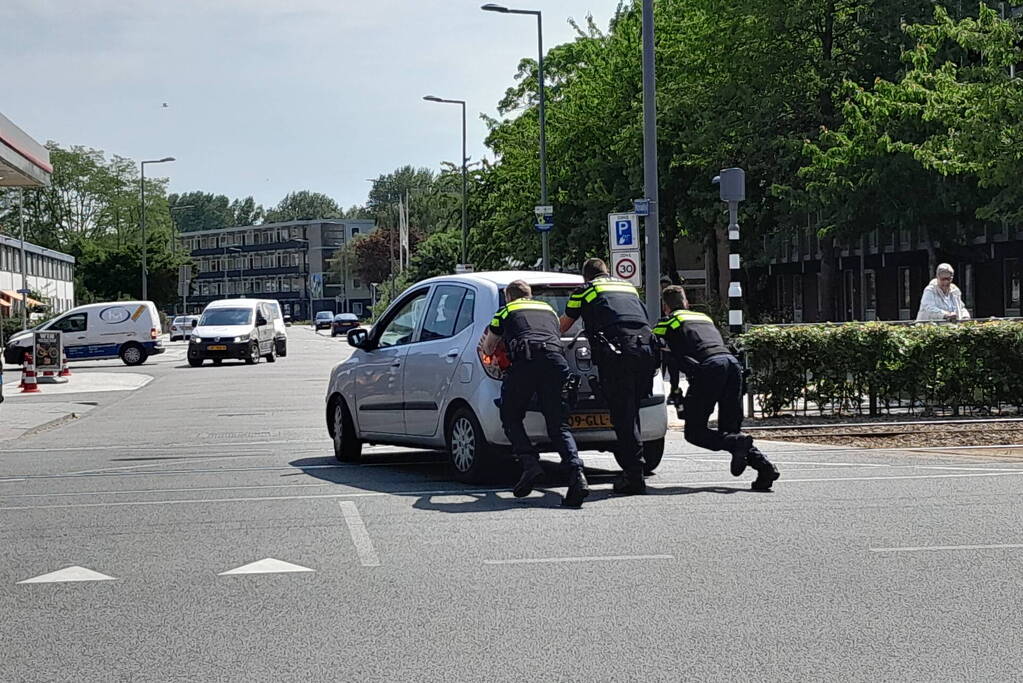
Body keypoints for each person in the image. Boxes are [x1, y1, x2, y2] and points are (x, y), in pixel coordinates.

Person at [653, 285, 780, 492]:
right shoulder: (704, 318)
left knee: (694, 432)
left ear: (665, 307)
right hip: (732, 367)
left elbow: (658, 348)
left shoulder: (668, 322)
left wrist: (674, 389)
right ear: (686, 303)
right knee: (731, 432)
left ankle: (749, 453)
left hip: (709, 369)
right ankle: (764, 468)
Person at [480, 280, 590, 508]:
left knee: (510, 415)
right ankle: (577, 475)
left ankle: (530, 463)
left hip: (525, 364)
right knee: (558, 425)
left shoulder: (505, 311)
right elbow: (557, 332)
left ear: (508, 296)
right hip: (556, 363)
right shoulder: (549, 309)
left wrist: (491, 352)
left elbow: (489, 347)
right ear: (529, 295)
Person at [559, 258, 659, 495]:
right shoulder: (627, 287)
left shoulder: (584, 291)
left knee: (623, 415)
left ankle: (634, 475)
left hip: (618, 353)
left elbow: (562, 326)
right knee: (632, 411)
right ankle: (635, 468)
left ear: (586, 277)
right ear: (607, 272)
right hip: (646, 350)